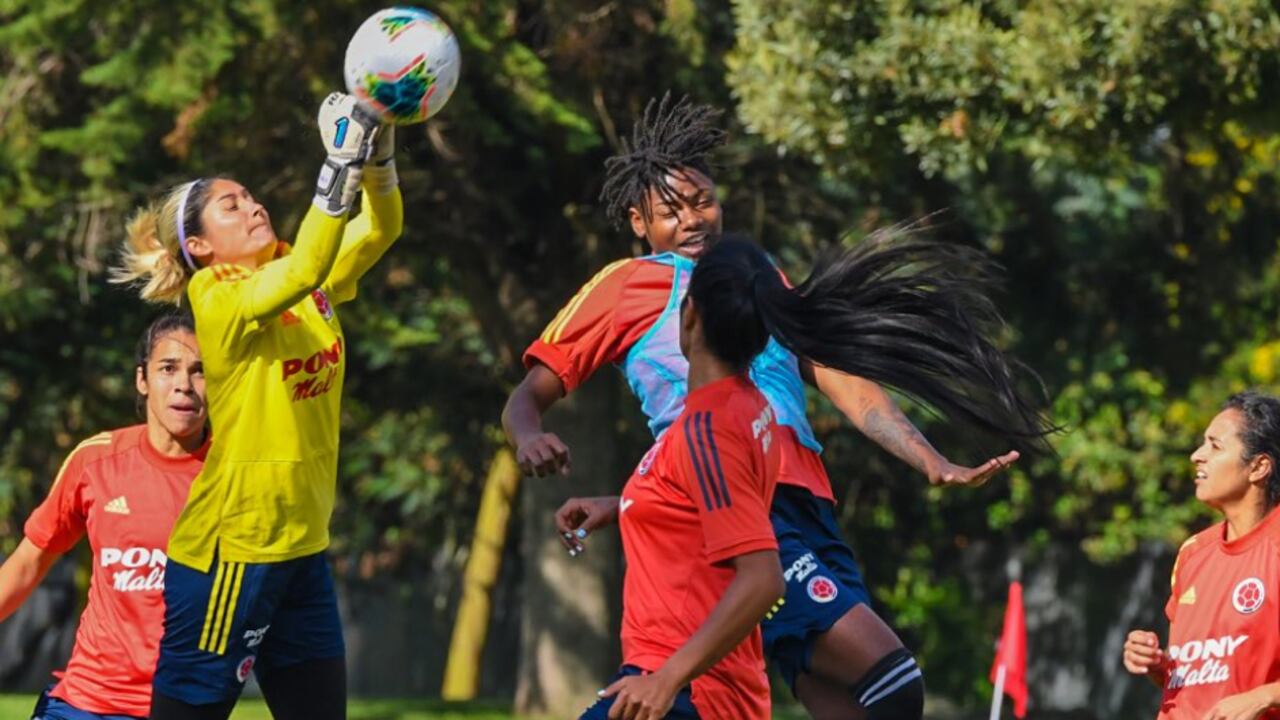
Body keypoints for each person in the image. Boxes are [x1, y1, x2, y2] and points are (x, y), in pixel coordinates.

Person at [504, 96, 1051, 718]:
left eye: (703, 201)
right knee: (892, 683)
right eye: (670, 211)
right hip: (747, 508)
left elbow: (841, 377)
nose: (692, 220)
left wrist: (926, 457)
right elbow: (529, 395)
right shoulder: (622, 287)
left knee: (849, 699)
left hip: (807, 503)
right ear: (637, 223)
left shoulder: (756, 274)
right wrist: (528, 437)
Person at [110, 92, 402, 720]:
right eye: (231, 205)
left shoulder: (301, 269)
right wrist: (338, 162)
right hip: (233, 554)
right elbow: (305, 270)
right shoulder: (215, 293)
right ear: (201, 247)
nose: (253, 206)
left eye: (250, 196)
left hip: (301, 546)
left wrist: (377, 158)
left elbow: (381, 228)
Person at [0, 313, 208, 720]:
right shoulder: (95, 460)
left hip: (182, 705)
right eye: (168, 368)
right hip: (85, 703)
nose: (184, 383)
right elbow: (28, 564)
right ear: (142, 380)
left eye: (201, 371)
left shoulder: (232, 474)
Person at [1123, 391, 1280, 720]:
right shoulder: (1193, 552)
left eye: (1215, 446)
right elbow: (1199, 676)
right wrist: (1158, 664)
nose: (1197, 455)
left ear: (1259, 467)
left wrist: (1263, 696)